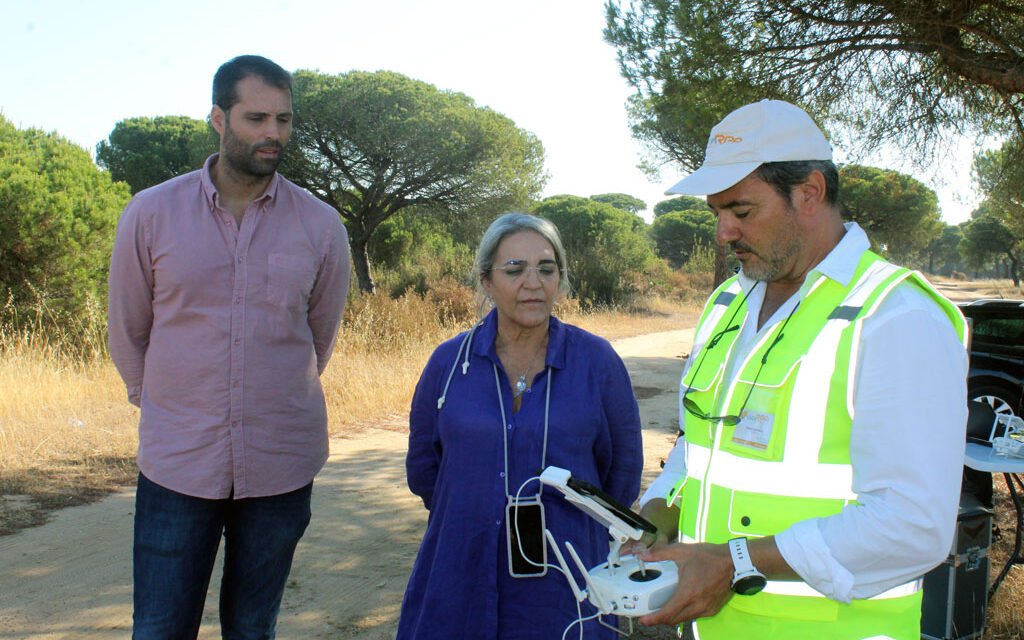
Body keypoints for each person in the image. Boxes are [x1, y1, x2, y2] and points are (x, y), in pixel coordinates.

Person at [632, 100, 969, 639]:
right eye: (715, 213)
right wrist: (659, 507)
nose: (723, 234)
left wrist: (733, 563)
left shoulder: (896, 318)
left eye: (741, 212)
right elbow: (699, 445)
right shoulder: (727, 306)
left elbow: (913, 527)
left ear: (809, 193)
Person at [107, 54, 350, 638]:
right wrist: (165, 405)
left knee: (252, 628)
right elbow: (127, 327)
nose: (273, 134)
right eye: (257, 117)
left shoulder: (321, 226)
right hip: (178, 463)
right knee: (161, 626)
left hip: (280, 464)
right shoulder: (150, 214)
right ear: (219, 119)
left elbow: (319, 337)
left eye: (284, 121)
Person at [398, 212, 644, 639]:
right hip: (460, 566)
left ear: (561, 280)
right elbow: (425, 469)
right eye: (514, 269)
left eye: (546, 269)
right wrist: (473, 507)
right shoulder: (449, 362)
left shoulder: (596, 362)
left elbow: (620, 473)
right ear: (486, 281)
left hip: (566, 574)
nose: (533, 282)